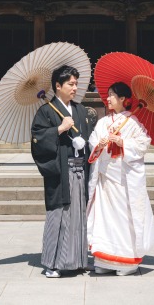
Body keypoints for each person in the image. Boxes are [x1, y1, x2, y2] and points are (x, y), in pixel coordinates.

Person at [87, 82, 154, 276]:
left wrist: (123, 142)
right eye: (108, 95)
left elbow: (143, 143)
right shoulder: (102, 122)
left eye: (112, 95)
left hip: (122, 178)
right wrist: (99, 144)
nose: (107, 99)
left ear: (123, 99)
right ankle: (104, 260)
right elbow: (93, 139)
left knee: (123, 218)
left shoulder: (133, 122)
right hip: (104, 177)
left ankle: (126, 262)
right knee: (104, 218)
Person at [31, 64, 93, 278]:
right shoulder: (46, 111)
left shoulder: (80, 110)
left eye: (76, 83)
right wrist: (58, 129)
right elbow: (38, 140)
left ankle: (77, 260)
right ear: (58, 86)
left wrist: (84, 143)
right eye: (70, 84)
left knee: (77, 215)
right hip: (60, 173)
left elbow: (88, 138)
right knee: (58, 215)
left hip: (80, 169)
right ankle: (53, 263)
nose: (75, 88)